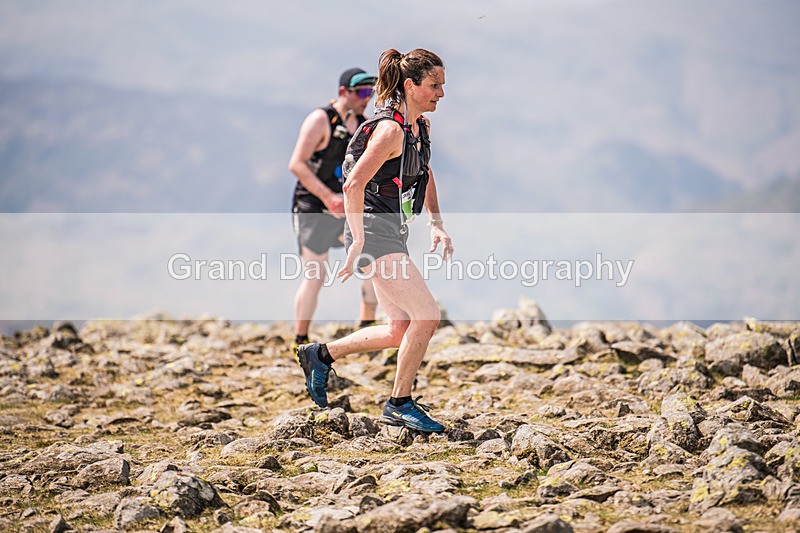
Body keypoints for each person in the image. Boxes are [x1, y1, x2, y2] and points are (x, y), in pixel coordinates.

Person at [296, 48, 452, 433]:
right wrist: (357, 240)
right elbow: (353, 184)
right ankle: (399, 403)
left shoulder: (420, 129)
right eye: (434, 86)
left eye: (443, 86)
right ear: (411, 85)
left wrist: (437, 223)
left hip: (392, 230)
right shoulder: (391, 130)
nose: (441, 94)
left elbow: (425, 173)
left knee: (399, 328)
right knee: (427, 316)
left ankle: (321, 354)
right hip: (375, 234)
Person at [288, 68, 380, 349]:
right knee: (316, 274)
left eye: (371, 93)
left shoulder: (364, 125)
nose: (367, 98)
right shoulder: (320, 120)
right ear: (344, 92)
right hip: (313, 207)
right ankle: (300, 340)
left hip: (346, 208)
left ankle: (367, 328)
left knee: (370, 259)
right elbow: (297, 164)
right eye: (361, 93)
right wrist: (328, 197)